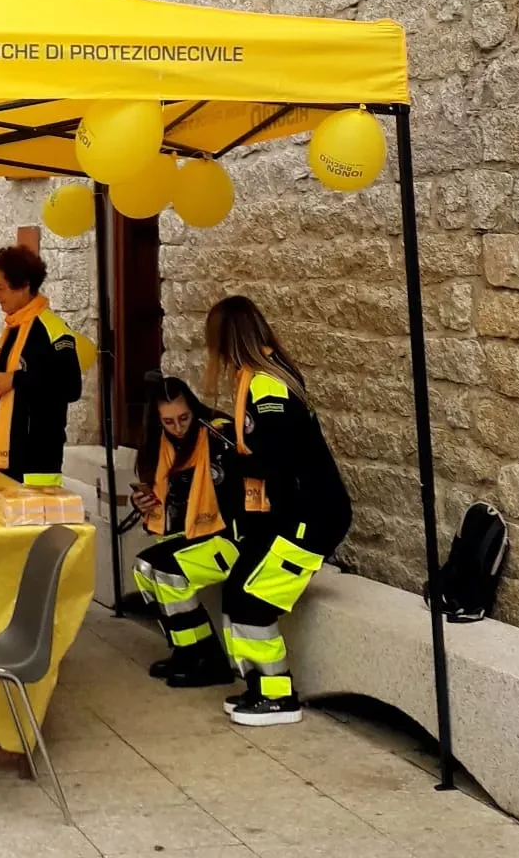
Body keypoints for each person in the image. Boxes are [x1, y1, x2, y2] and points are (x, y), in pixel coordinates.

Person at [205, 295, 352, 726]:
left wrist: (237, 457)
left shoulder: (268, 384)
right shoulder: (256, 375)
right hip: (290, 510)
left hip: (311, 514)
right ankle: (257, 684)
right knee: (236, 590)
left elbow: (279, 455)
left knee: (252, 602)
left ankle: (278, 695)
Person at [131, 375, 239, 688]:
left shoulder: (219, 434)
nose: (178, 427)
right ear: (157, 420)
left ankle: (209, 660)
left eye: (184, 418)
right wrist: (145, 502)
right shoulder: (159, 445)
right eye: (169, 421)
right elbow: (169, 509)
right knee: (145, 567)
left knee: (168, 572)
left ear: (194, 410)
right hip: (197, 532)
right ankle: (187, 651)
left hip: (232, 534)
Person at [0, 246, 82, 484]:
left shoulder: (52, 329)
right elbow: (12, 374)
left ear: (24, 285)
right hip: (5, 457)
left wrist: (15, 380)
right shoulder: (13, 327)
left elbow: (70, 386)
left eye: (0, 288)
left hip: (37, 463)